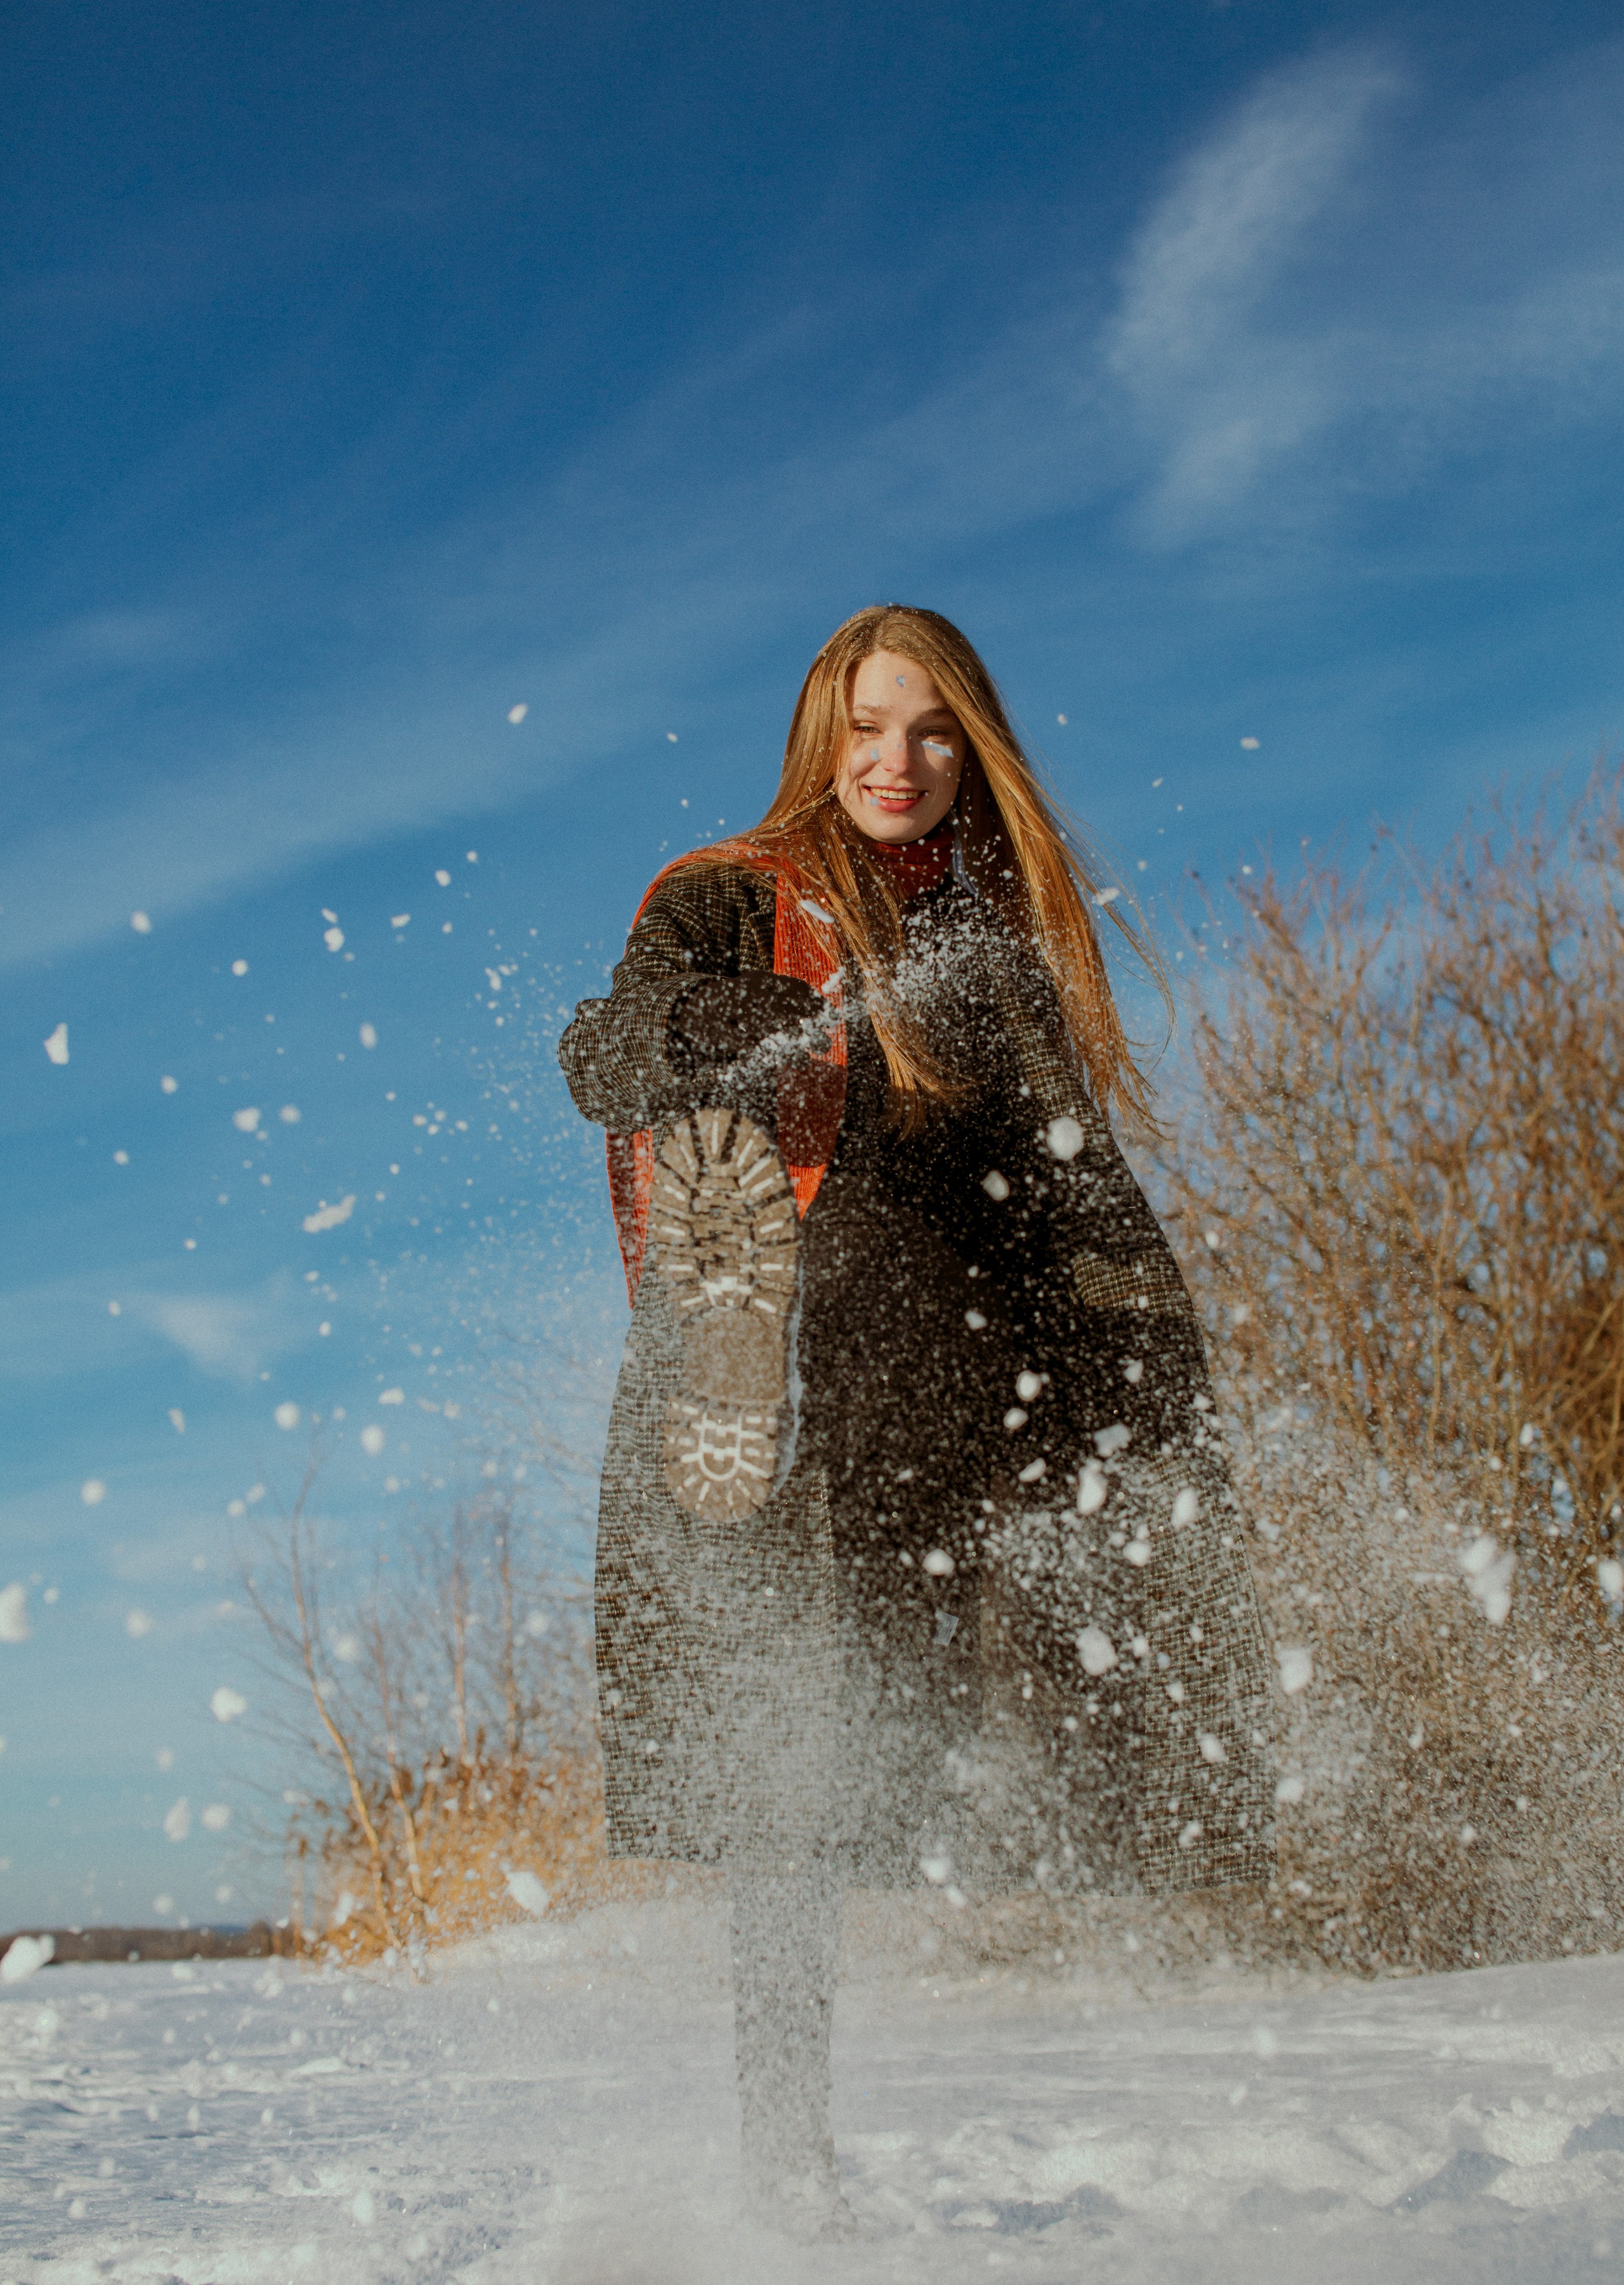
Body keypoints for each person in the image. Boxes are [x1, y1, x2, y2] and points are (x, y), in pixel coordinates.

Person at [558, 604, 1274, 2241]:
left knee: (966, 1715)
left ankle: (819, 2167)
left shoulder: (1001, 941)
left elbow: (1066, 1186)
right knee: (784, 1790)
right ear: (823, 735)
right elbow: (603, 1045)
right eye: (872, 728)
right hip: (793, 1363)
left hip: (952, 1374)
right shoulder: (731, 892)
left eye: (936, 730)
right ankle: (784, 2172)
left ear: (979, 747)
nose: (902, 762)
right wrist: (681, 1042)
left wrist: (1148, 1393)